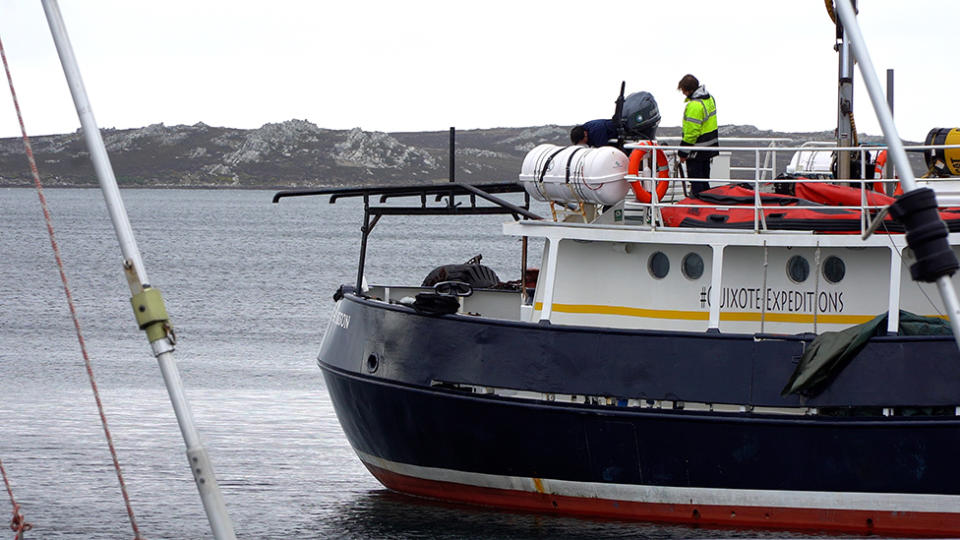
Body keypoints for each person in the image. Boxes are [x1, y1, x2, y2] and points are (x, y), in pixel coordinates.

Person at [677, 74, 719, 197]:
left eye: (683, 90)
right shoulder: (709, 99)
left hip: (697, 150)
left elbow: (691, 133)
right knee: (705, 180)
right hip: (709, 147)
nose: (683, 93)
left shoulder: (694, 106)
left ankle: (699, 209)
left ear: (688, 90)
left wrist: (683, 153)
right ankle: (707, 206)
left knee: (696, 183)